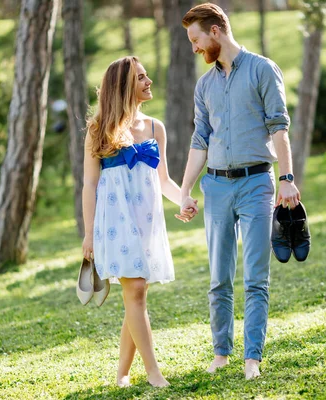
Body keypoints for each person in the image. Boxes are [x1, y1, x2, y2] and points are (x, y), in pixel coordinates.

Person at [178, 3, 301, 380]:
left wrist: (287, 178)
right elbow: (200, 139)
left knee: (255, 276)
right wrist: (185, 191)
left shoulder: (263, 70)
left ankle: (252, 358)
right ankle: (220, 353)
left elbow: (279, 127)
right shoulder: (205, 85)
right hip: (215, 186)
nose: (195, 48)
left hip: (256, 184)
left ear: (215, 31)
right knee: (218, 277)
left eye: (197, 39)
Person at [82, 56, 192, 388]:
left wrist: (183, 199)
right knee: (137, 290)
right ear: (124, 86)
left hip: (146, 218)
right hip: (115, 218)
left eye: (147, 75)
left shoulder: (156, 127)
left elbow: (163, 180)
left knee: (135, 294)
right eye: (141, 78)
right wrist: (89, 234)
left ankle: (122, 374)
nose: (149, 82)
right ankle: (153, 372)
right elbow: (89, 184)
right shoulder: (97, 128)